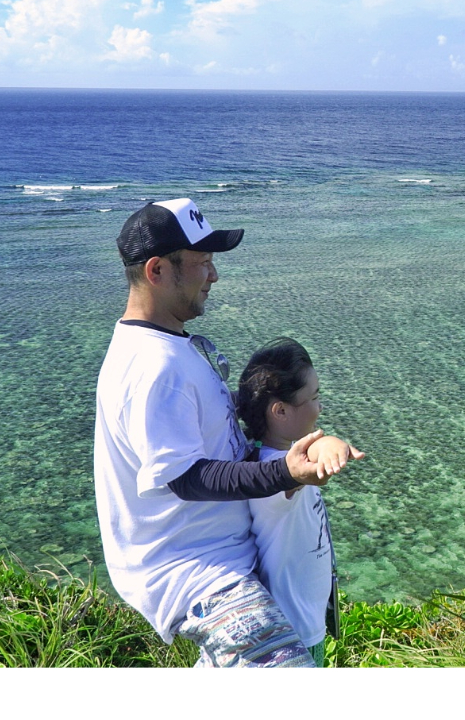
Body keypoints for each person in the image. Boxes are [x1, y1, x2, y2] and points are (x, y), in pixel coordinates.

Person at [93, 198, 362, 668]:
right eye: (202, 263)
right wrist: (285, 473)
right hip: (196, 572)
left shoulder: (171, 347)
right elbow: (187, 478)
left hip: (225, 558)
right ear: (157, 270)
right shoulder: (154, 366)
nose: (213, 275)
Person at [235, 338, 339, 668]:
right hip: (294, 633)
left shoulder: (269, 462)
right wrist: (332, 445)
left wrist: (327, 443)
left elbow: (311, 452)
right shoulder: (273, 476)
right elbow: (309, 464)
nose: (320, 407)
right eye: (314, 398)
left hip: (302, 624)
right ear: (280, 411)